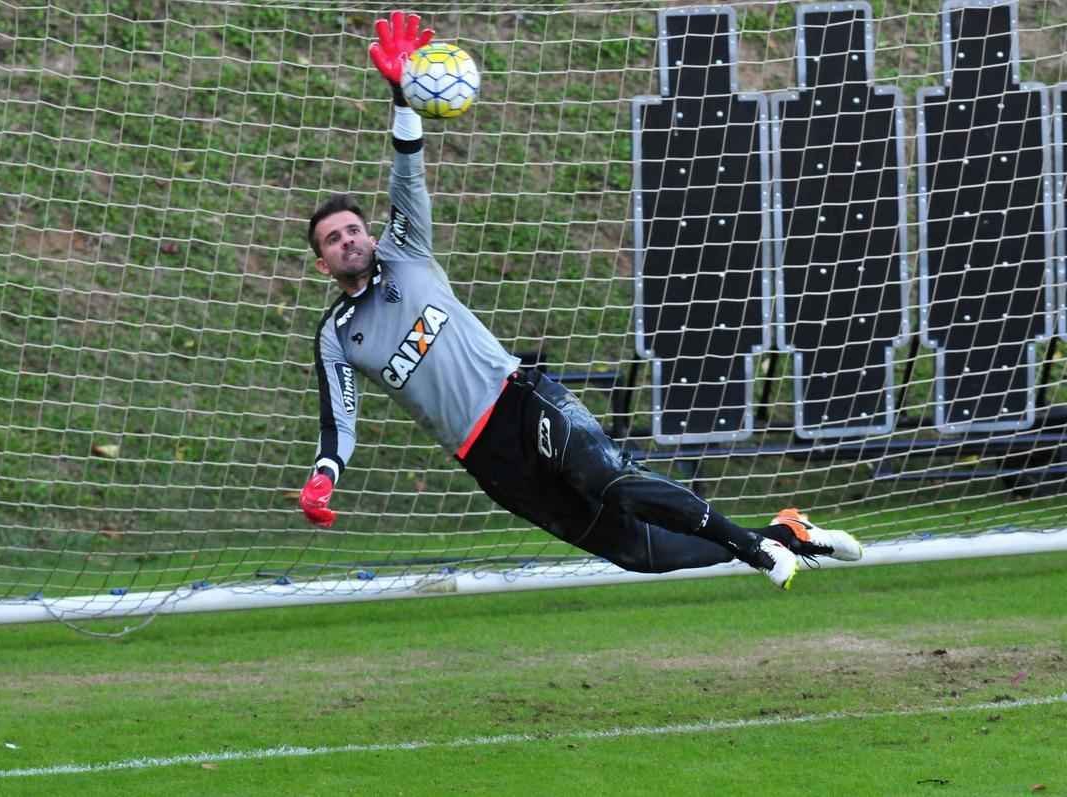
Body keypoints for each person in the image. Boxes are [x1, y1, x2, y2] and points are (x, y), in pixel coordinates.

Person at [298, 11, 863, 590]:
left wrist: (402, 94)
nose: (349, 241)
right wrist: (323, 476)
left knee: (609, 479)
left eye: (353, 230)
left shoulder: (406, 251)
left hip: (519, 398)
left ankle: (754, 548)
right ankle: (784, 535)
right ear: (323, 262)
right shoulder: (338, 332)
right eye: (333, 240)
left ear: (369, 234)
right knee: (639, 551)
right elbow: (338, 418)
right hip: (485, 457)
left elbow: (407, 173)